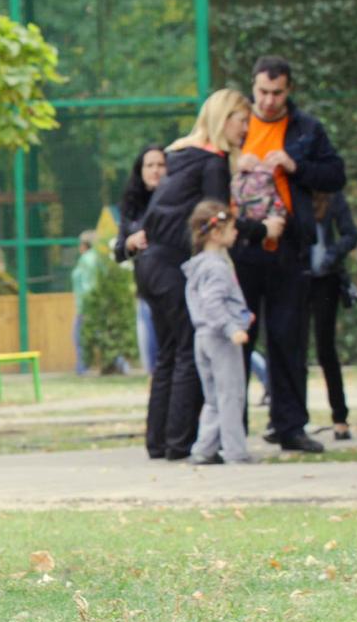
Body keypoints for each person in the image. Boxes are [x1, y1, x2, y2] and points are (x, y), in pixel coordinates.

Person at [130, 90, 280, 461]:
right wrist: (263, 230)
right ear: (223, 118)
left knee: (169, 353)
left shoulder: (180, 153)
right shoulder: (211, 162)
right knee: (186, 351)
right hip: (171, 264)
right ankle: (180, 444)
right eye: (240, 120)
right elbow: (218, 218)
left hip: (150, 264)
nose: (246, 129)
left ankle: (161, 442)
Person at [233, 56, 345, 454]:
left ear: (289, 90)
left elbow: (335, 175)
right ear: (253, 86)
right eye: (262, 91)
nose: (268, 100)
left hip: (288, 247)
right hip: (241, 247)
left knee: (288, 339)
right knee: (237, 339)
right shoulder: (237, 122)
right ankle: (231, 429)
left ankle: (290, 426)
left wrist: (296, 166)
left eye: (277, 93)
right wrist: (236, 164)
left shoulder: (307, 130)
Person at [183, 203, 256, 465]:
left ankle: (204, 449)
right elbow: (213, 303)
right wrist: (232, 327)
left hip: (202, 337)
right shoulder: (217, 268)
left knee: (213, 398)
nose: (236, 233)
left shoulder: (199, 266)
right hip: (220, 339)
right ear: (216, 233)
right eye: (232, 228)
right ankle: (236, 452)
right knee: (231, 395)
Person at [308, 189, 357, 440]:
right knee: (289, 348)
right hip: (296, 278)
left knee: (325, 349)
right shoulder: (291, 193)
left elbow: (351, 234)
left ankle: (340, 416)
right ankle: (289, 419)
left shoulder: (333, 196)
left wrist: (331, 255)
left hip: (325, 280)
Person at [113, 145, 166, 373]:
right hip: (147, 293)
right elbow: (118, 252)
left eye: (161, 165)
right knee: (153, 364)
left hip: (178, 290)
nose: (155, 170)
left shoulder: (177, 201)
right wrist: (130, 243)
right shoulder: (132, 205)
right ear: (141, 170)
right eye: (150, 165)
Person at [70, 230, 103, 375]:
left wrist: (85, 307)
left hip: (86, 306)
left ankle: (81, 368)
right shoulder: (95, 258)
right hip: (92, 304)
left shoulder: (86, 259)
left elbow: (87, 285)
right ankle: (120, 363)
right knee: (99, 334)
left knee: (79, 337)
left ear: (85, 245)